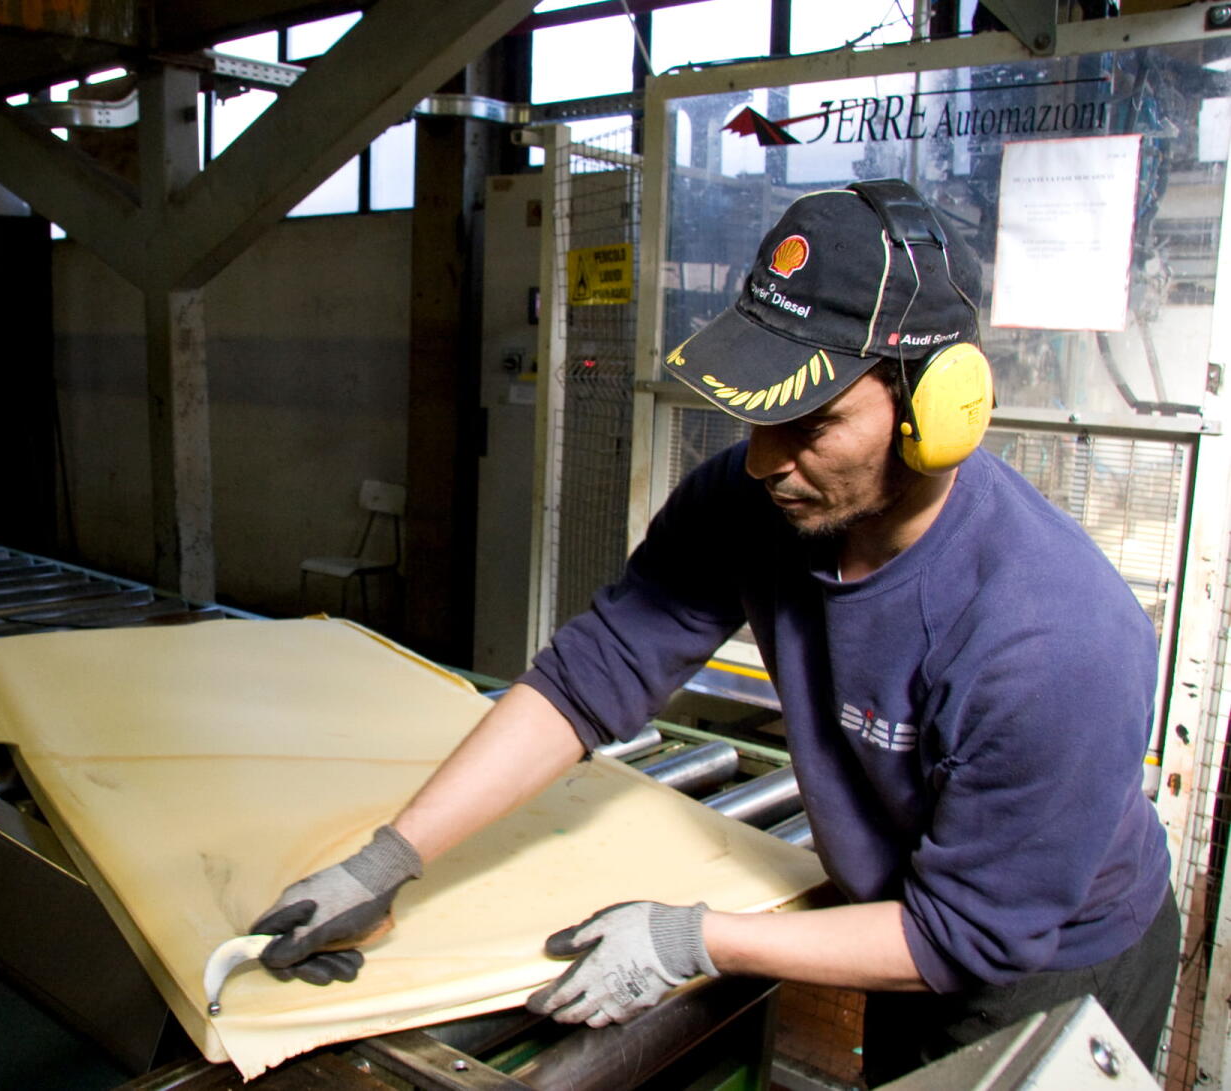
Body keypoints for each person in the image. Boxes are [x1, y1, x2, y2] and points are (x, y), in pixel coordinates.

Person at [250, 180, 1178, 1085]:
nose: (765, 459)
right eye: (758, 413)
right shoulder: (753, 500)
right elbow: (594, 673)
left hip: (1050, 968)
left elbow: (963, 935)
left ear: (936, 415)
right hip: (899, 922)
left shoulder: (1055, 641)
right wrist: (389, 858)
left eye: (810, 423)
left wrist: (694, 938)